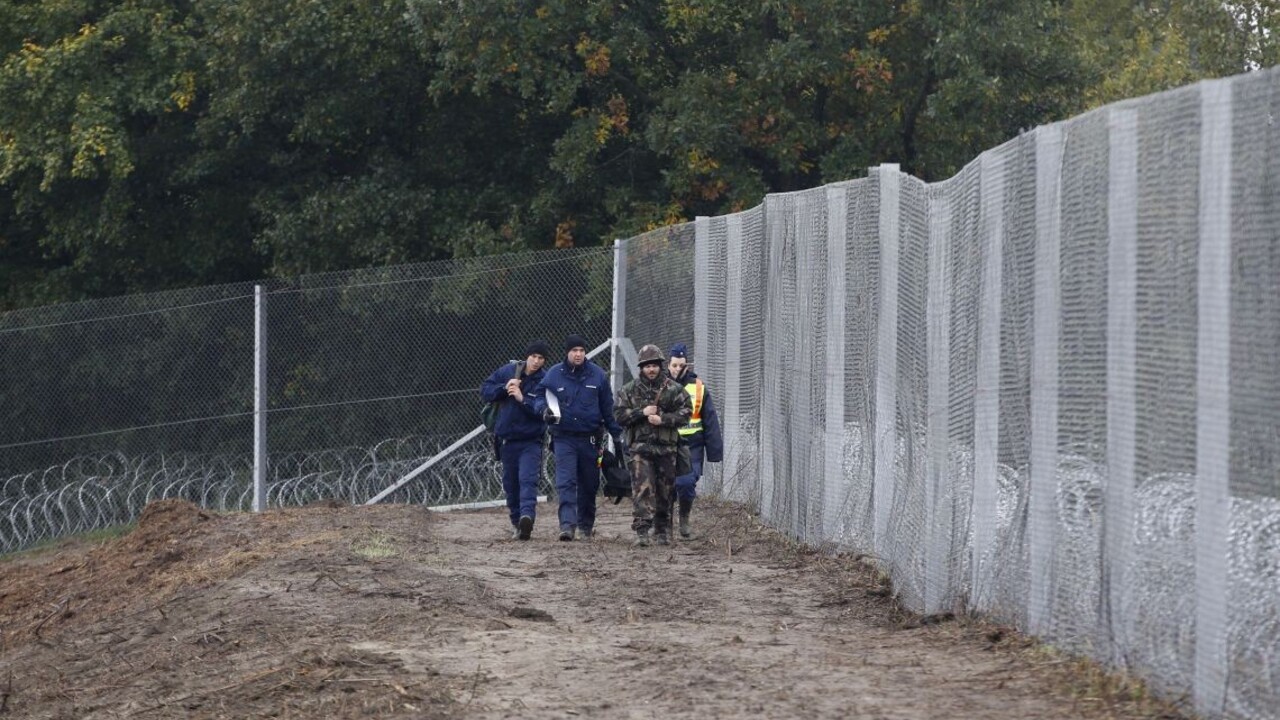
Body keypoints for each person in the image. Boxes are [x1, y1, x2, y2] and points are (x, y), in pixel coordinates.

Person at [530, 335, 623, 542]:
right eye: (574, 351)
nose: (578, 354)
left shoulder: (597, 375)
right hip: (564, 437)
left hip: (590, 439)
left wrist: (616, 434)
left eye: (581, 350)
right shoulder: (554, 375)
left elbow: (608, 408)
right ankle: (567, 526)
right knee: (566, 482)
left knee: (589, 484)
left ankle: (585, 526)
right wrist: (543, 410)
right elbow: (538, 396)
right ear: (567, 352)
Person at [615, 344, 692, 546]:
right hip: (640, 449)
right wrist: (642, 412)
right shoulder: (629, 390)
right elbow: (619, 415)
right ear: (641, 367)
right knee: (642, 489)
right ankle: (642, 529)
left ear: (660, 366)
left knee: (665, 491)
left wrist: (663, 419)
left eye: (654, 365)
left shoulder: (673, 389)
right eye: (647, 366)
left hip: (666, 449)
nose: (651, 369)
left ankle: (662, 529)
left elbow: (686, 413)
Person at [480, 340, 550, 540]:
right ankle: (516, 521)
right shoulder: (509, 370)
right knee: (511, 484)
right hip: (507, 440)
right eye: (533, 356)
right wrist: (504, 388)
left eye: (541, 358)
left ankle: (527, 517)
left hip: (531, 439)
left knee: (528, 480)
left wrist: (522, 398)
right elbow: (485, 390)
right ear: (527, 356)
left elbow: (540, 409)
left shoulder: (544, 380)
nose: (536, 361)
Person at [667, 343, 724, 539]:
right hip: (665, 446)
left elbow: (710, 420)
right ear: (668, 365)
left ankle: (684, 516)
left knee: (685, 483)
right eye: (674, 365)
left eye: (680, 365)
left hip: (692, 446)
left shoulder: (698, 388)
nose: (677, 369)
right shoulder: (659, 386)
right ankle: (665, 523)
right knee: (665, 485)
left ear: (687, 365)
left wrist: (715, 452)